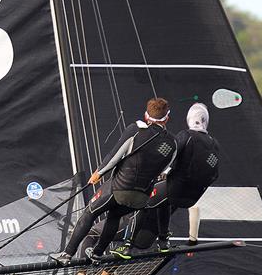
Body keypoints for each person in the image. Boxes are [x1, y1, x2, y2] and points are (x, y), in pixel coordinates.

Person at [50, 98, 177, 265]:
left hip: (120, 188)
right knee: (115, 215)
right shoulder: (172, 143)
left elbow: (114, 156)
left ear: (146, 116)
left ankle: (66, 254)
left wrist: (99, 173)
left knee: (90, 212)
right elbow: (163, 170)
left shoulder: (135, 130)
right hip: (142, 198)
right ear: (167, 118)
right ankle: (97, 253)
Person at [112, 102, 220, 258]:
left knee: (143, 199)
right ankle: (163, 242)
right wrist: (193, 240)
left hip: (175, 188)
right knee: (165, 203)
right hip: (191, 197)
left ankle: (128, 245)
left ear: (190, 119)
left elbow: (169, 155)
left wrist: (164, 172)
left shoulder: (186, 135)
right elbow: (214, 174)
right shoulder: (214, 144)